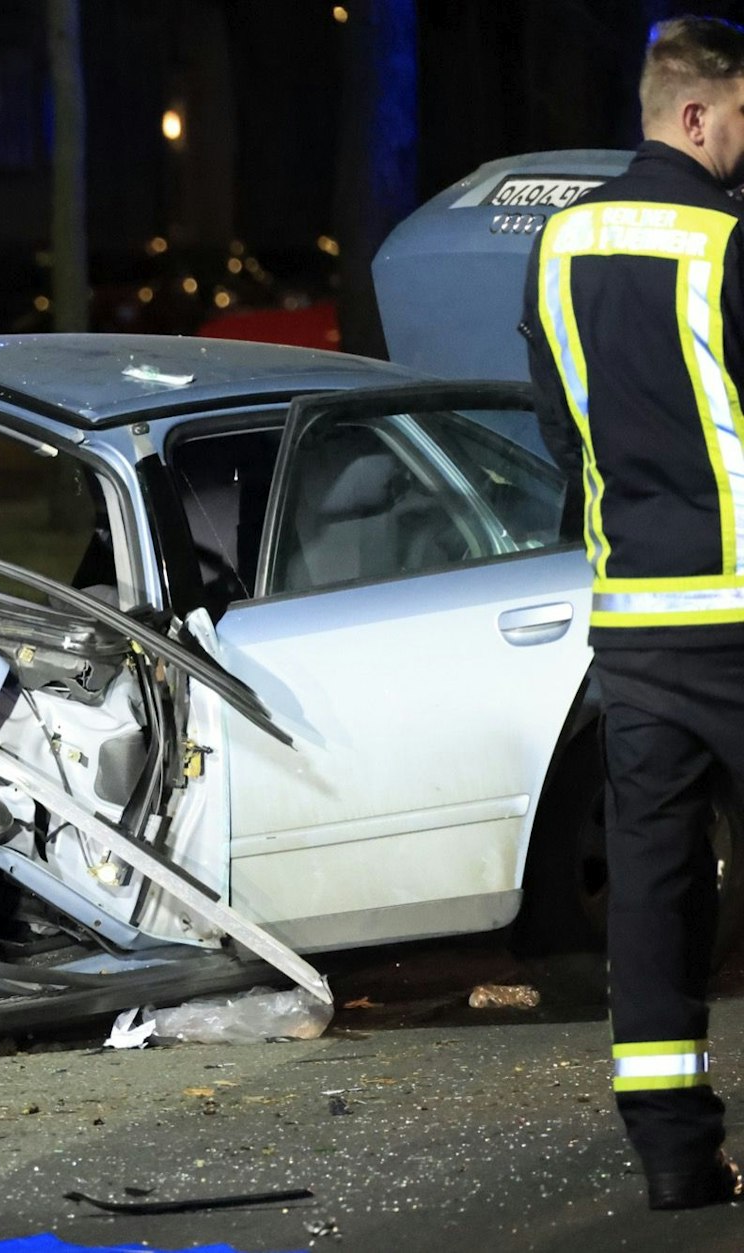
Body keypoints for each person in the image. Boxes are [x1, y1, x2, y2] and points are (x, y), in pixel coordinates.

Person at [525, 13, 744, 1211]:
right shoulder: (727, 239)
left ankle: (671, 1155)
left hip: (636, 624)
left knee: (654, 887)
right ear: (694, 113)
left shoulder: (558, 245)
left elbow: (561, 431)